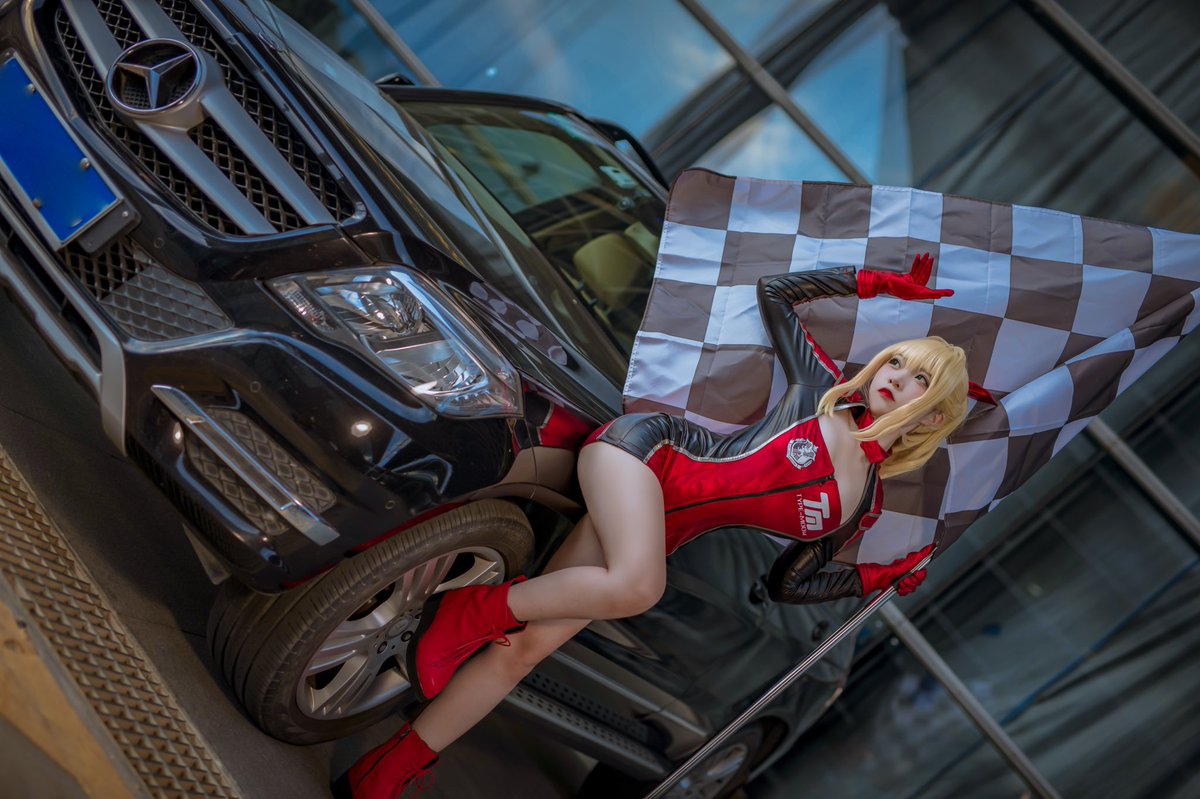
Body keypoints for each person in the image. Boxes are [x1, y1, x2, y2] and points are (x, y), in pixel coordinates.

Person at [334, 254, 973, 799]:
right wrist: (872, 283)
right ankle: (472, 611)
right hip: (643, 452)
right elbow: (776, 291)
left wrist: (874, 577)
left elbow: (790, 583)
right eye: (898, 362)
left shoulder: (862, 505)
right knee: (640, 586)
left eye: (920, 381)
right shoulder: (817, 390)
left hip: (653, 529)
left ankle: (386, 769)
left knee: (523, 652)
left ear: (931, 419)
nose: (897, 379)